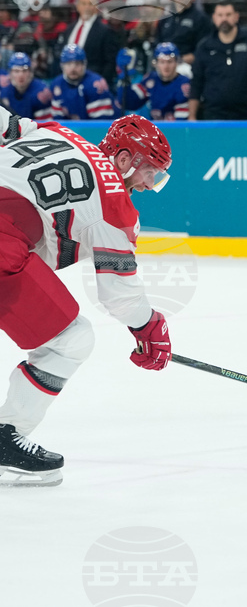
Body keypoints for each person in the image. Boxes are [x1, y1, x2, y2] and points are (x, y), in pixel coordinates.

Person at [0, 112, 173, 487]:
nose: (148, 184)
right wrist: (150, 325)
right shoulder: (114, 202)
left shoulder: (54, 130)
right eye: (149, 172)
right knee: (70, 340)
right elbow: (119, 294)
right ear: (124, 160)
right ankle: (5, 438)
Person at [188, 1, 247, 120]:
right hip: (213, 115)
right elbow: (196, 83)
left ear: (236, 17)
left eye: (228, 15)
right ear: (214, 18)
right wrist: (192, 116)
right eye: (220, 15)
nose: (224, 19)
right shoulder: (204, 46)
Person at [66, 0, 122, 88]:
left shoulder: (105, 31)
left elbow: (110, 62)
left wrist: (101, 83)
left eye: (90, 4)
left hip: (93, 84)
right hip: (68, 82)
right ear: (77, 6)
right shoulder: (69, 29)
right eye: (83, 3)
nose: (87, 7)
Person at [121, 42, 190, 121]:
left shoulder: (183, 84)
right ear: (156, 63)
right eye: (162, 62)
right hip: (155, 129)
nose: (166, 66)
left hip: (173, 130)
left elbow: (181, 123)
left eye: (170, 62)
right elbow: (130, 103)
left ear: (176, 62)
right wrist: (124, 78)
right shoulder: (151, 79)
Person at [156, 0, 213, 66]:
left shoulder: (201, 19)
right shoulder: (164, 19)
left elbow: (204, 49)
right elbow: (157, 45)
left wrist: (180, 60)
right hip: (164, 66)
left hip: (189, 67)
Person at [50, 44, 118, 120]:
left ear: (84, 65)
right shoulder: (56, 84)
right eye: (68, 64)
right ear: (62, 65)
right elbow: (58, 120)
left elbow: (100, 124)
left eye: (77, 64)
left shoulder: (95, 84)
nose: (73, 68)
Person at [0, 53, 52, 121]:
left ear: (30, 72)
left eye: (24, 70)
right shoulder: (3, 89)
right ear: (10, 73)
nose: (21, 75)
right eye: (16, 71)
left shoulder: (41, 92)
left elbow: (44, 125)